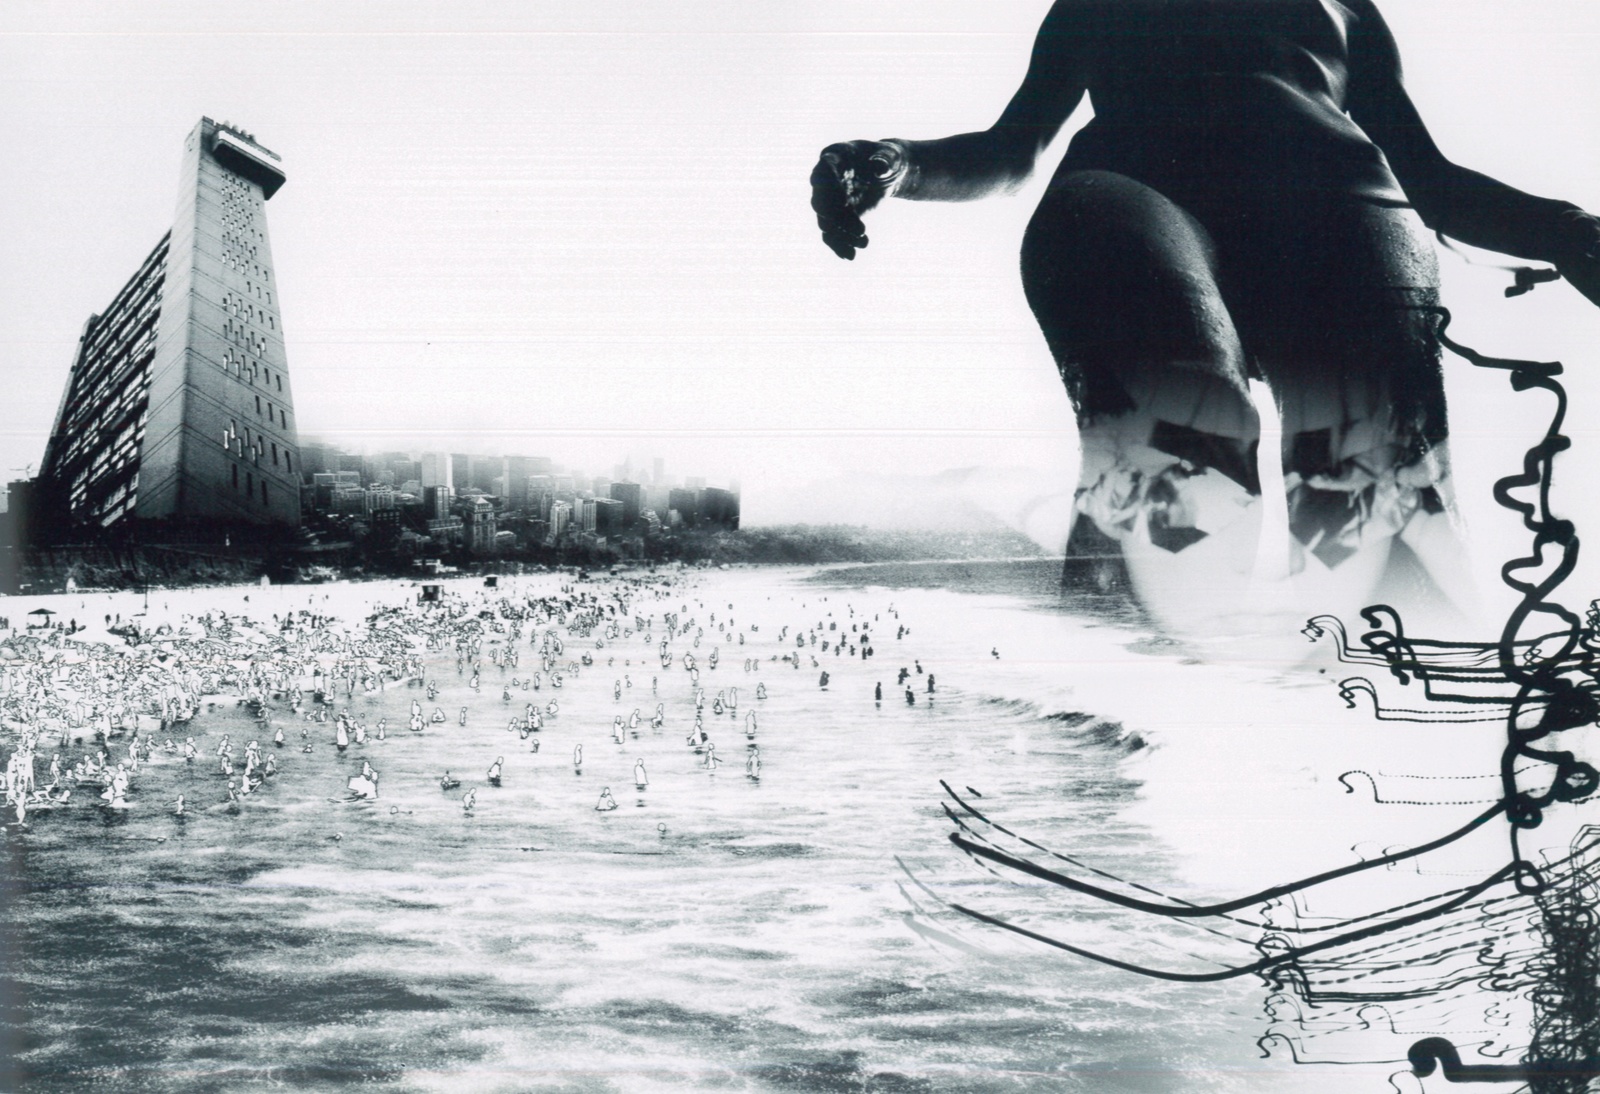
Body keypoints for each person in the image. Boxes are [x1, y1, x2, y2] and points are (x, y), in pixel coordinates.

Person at [811, 0, 1600, 626]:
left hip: (1337, 205)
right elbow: (1012, 149)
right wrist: (896, 162)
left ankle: (1408, 720)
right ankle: (1117, 726)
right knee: (1188, 435)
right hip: (1138, 198)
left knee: (1373, 478)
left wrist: (1570, 232)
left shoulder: (1347, 10)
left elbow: (1433, 183)